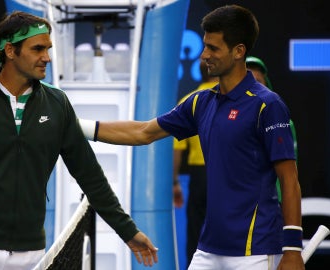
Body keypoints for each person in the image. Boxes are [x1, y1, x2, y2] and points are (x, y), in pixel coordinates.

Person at [88, 4, 305, 270]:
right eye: (205, 46)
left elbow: (289, 179)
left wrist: (293, 249)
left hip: (255, 249)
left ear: (238, 52)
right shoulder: (199, 103)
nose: (204, 55)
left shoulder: (267, 106)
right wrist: (78, 127)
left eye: (213, 48)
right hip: (208, 249)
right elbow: (143, 132)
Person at [0, 11, 158, 269]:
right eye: (38, 49)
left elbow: (90, 176)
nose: (46, 57)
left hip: (31, 254)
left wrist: (127, 231)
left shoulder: (57, 104)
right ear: (11, 51)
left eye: (48, 49)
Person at [173, 60, 218, 266]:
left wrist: (175, 183)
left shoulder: (188, 101)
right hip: (227, 175)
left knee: (195, 233)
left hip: (199, 178)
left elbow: (178, 150)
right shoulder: (232, 99)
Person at [246, 56, 298, 203]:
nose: (253, 87)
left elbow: (288, 173)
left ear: (266, 85)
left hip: (270, 206)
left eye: (258, 82)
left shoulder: (281, 121)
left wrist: (281, 203)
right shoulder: (230, 119)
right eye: (249, 81)